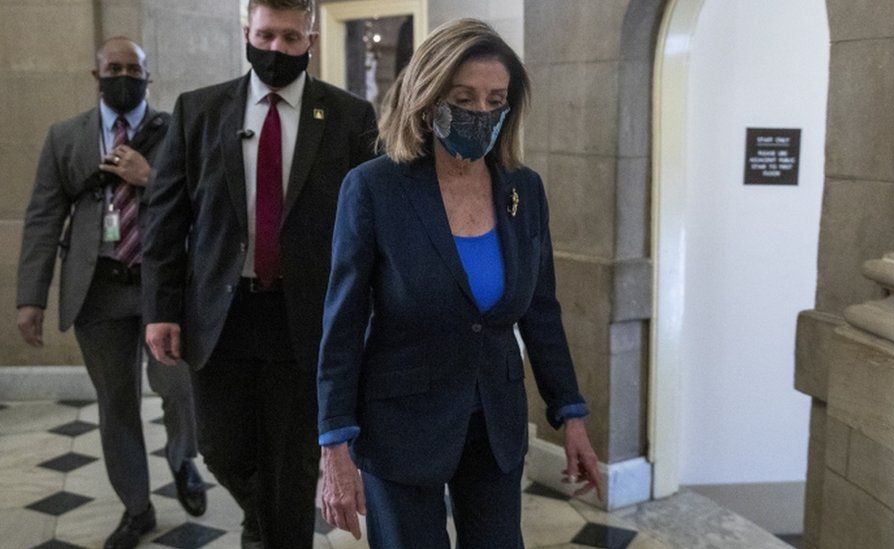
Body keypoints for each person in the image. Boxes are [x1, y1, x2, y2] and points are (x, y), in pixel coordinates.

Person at [317, 19, 602, 548]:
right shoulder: (374, 188)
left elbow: (540, 310)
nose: (482, 114)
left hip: (494, 421)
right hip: (400, 422)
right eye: (465, 98)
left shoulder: (523, 189)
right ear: (428, 99)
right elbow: (343, 320)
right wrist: (334, 442)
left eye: (497, 100)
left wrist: (571, 413)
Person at [141, 1, 378, 547]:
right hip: (221, 317)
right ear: (246, 31)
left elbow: (368, 226)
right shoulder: (199, 110)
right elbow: (166, 218)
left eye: (291, 38)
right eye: (266, 35)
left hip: (304, 322)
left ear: (311, 39)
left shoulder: (348, 117)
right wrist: (160, 309)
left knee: (292, 463)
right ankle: (266, 522)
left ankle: (274, 530)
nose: (277, 49)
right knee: (221, 449)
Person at [16, 37, 205, 549]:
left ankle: (183, 458)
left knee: (178, 389)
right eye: (113, 68)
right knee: (115, 403)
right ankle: (137, 507)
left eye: (133, 68)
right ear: (95, 74)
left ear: (149, 76)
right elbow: (42, 218)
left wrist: (151, 177)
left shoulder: (177, 130)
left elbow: (205, 204)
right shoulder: (67, 137)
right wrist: (30, 298)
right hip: (97, 290)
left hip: (159, 286)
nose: (123, 75)